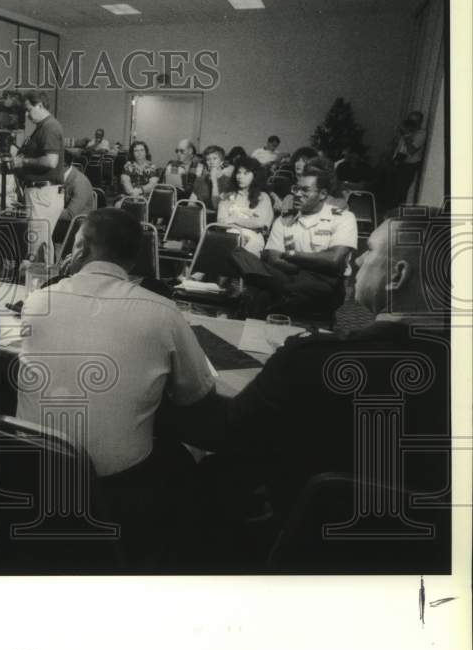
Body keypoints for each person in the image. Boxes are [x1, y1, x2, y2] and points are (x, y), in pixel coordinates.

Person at [178, 211, 451, 554]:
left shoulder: (311, 360)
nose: (359, 261)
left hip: (302, 551)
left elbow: (226, 432)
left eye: (370, 251)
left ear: (397, 275)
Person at [17, 208, 217, 557]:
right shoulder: (162, 312)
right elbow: (196, 394)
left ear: (80, 249)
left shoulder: (36, 301)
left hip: (29, 469)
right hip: (112, 486)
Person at [231, 161, 357, 318]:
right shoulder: (284, 220)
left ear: (323, 194)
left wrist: (291, 255)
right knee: (238, 254)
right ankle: (280, 296)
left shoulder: (343, 218)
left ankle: (269, 302)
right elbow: (273, 258)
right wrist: (313, 262)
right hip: (287, 275)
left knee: (261, 293)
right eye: (296, 189)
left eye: (305, 191)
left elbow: (334, 260)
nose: (297, 194)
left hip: (325, 283)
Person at [10, 90, 65, 264]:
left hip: (43, 193)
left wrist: (23, 161)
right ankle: (44, 282)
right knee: (42, 243)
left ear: (39, 105)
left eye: (28, 110)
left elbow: (50, 161)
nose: (26, 115)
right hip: (41, 193)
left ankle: (32, 281)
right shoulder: (43, 128)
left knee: (34, 245)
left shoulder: (49, 127)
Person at [216, 157, 273, 256]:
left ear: (255, 175)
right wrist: (245, 223)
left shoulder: (263, 197)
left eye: (246, 173)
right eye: (238, 173)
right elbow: (221, 221)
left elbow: (259, 223)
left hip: (253, 238)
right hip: (230, 237)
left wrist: (234, 219)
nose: (240, 177)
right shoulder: (228, 195)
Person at [52, 152, 94, 245]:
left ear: (63, 164)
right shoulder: (61, 176)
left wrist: (47, 211)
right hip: (64, 221)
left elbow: (70, 214)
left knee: (40, 227)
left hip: (77, 226)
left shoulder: (79, 182)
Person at [387, 110, 426, 207]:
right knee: (392, 189)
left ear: (419, 122)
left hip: (409, 165)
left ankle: (397, 214)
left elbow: (411, 150)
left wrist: (407, 135)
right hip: (399, 162)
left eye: (413, 121)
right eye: (409, 120)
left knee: (401, 191)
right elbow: (398, 146)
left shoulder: (420, 133)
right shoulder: (407, 130)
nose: (410, 123)